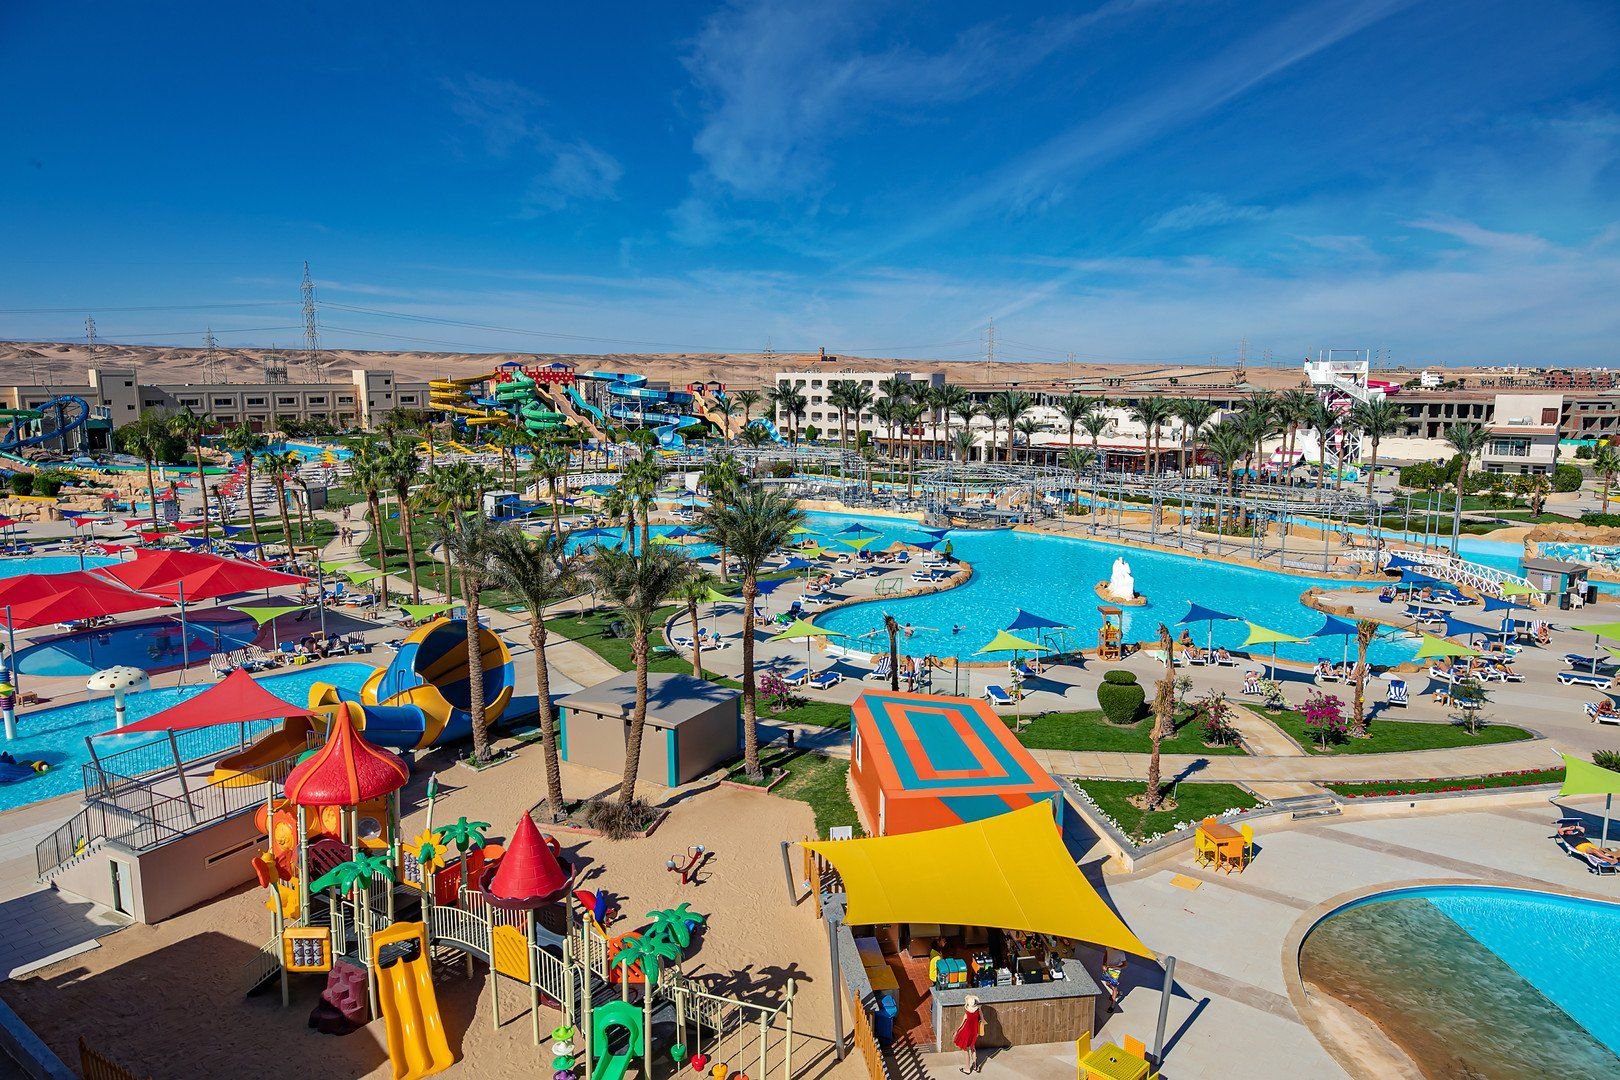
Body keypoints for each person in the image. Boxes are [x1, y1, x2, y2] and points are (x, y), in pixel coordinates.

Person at [953, 994, 983, 1074]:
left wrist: (956, 1031)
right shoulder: (978, 1011)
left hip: (966, 1033)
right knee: (973, 1048)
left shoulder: (967, 1013)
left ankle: (967, 1069)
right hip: (974, 1032)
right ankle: (975, 1066)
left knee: (966, 1050)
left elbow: (962, 1025)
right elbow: (982, 1019)